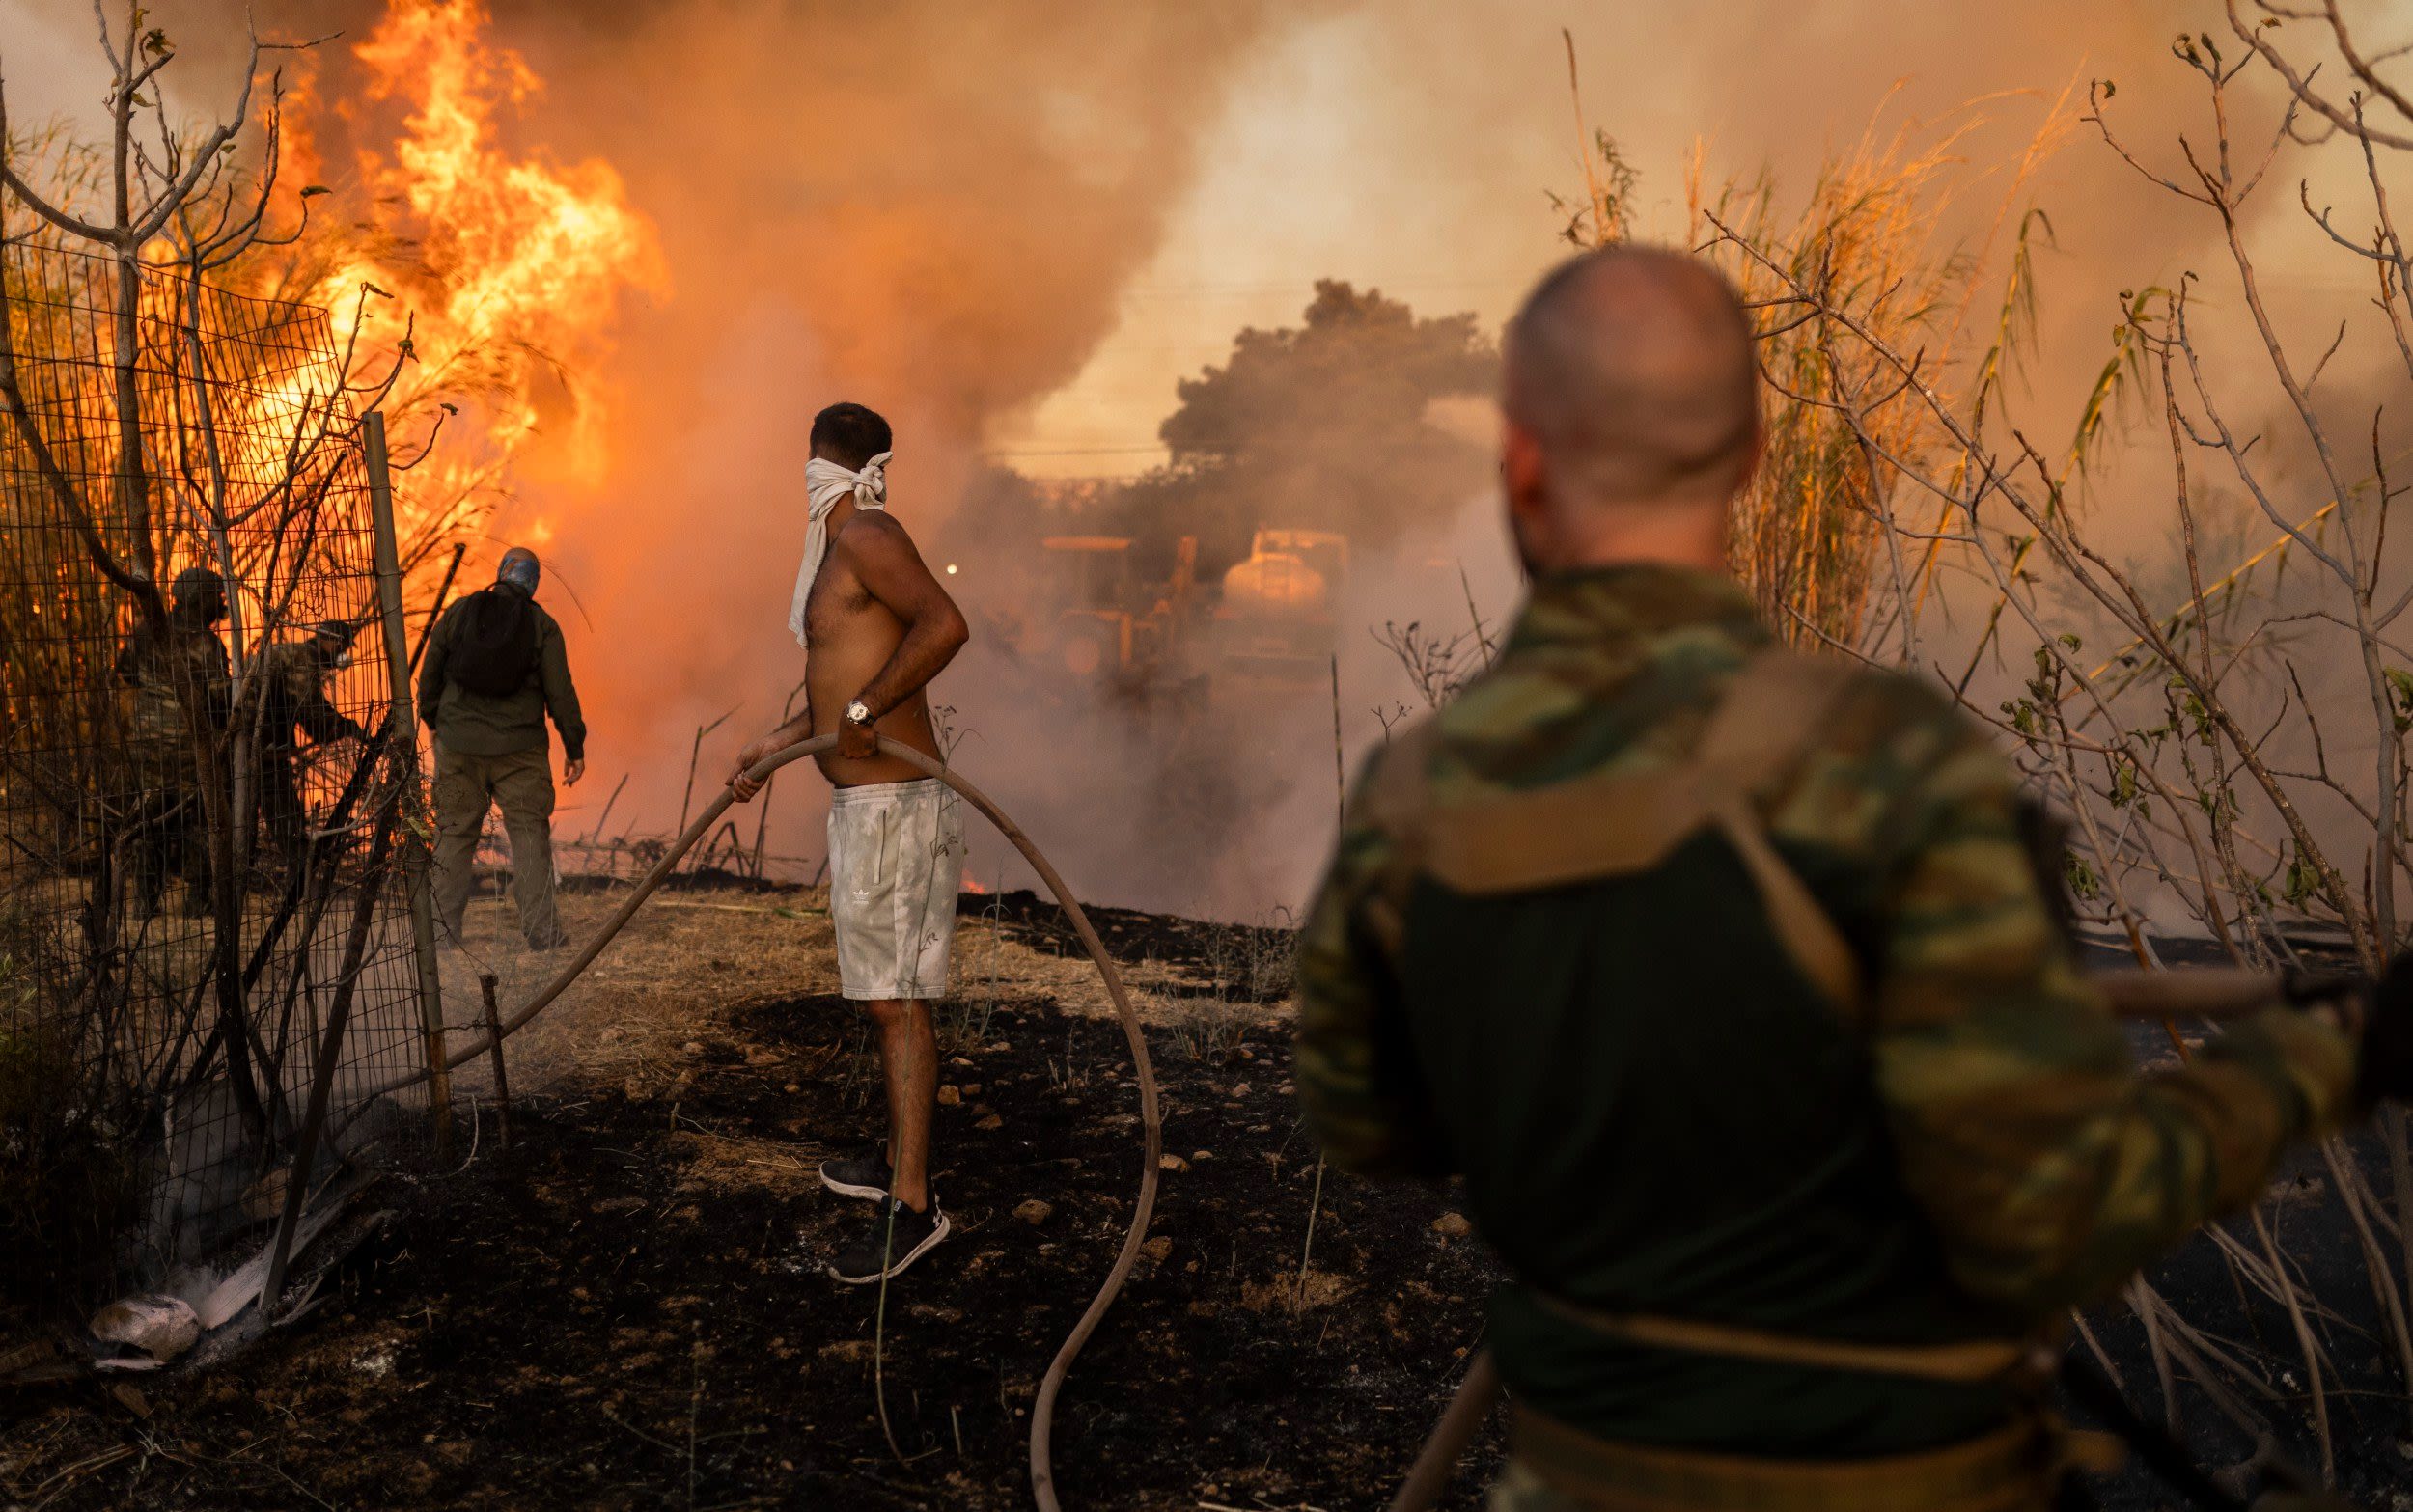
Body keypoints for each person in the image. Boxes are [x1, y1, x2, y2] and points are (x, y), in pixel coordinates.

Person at [1293, 245, 2413, 1511]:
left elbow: (1370, 1119)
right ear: (1753, 456)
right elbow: (2050, 1215)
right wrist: (2325, 1058)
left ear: (1522, 460)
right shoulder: (1888, 761)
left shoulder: (1411, 795)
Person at [728, 400, 971, 1285]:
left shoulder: (867, 533)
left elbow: (946, 623)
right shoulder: (841, 549)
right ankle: (896, 1164)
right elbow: (841, 685)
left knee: (899, 1002)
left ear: (816, 465)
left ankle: (915, 1209)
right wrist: (777, 742)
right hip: (870, 812)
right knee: (885, 999)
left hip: (899, 807)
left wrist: (865, 712)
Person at [418, 547, 586, 951]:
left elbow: (430, 673)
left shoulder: (461, 612)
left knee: (454, 834)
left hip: (458, 746)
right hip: (521, 751)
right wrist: (574, 744)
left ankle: (441, 935)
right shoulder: (542, 626)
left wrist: (437, 723)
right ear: (533, 584)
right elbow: (560, 690)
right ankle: (543, 935)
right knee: (529, 834)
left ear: (501, 573)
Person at [115, 565, 232, 916]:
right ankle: (198, 899)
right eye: (216, 596)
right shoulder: (205, 643)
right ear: (200, 599)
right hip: (187, 745)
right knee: (197, 816)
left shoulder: (146, 632)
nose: (220, 603)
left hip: (145, 743)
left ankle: (145, 902)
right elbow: (218, 700)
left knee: (148, 819)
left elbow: (126, 673)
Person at [254, 619, 369, 866]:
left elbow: (311, 706)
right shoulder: (303, 658)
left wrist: (338, 725)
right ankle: (299, 873)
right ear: (333, 641)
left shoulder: (298, 655)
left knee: (271, 809)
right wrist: (342, 727)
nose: (343, 654)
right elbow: (311, 712)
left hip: (263, 741)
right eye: (343, 647)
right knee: (285, 815)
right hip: (261, 745)